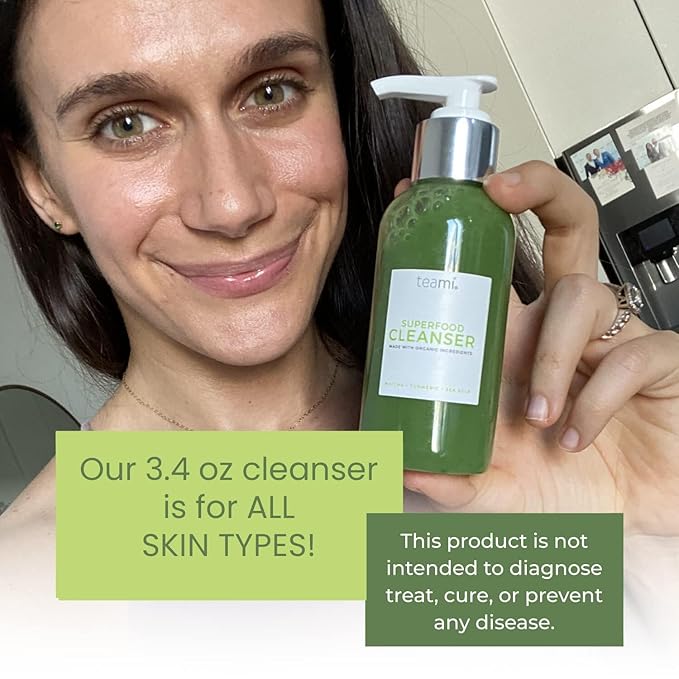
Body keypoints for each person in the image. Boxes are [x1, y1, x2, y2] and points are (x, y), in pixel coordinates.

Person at [0, 0, 678, 593]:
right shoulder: (38, 584)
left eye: (271, 91)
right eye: (125, 124)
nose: (232, 203)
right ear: (43, 187)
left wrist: (642, 516)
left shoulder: (484, 456)